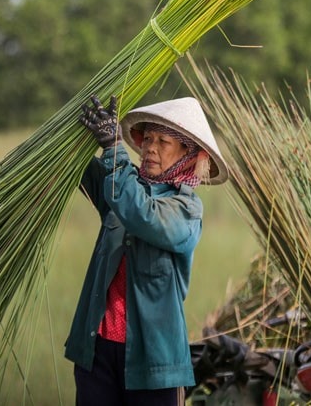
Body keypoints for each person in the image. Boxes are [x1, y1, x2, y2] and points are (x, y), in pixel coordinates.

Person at [64, 94, 228, 406]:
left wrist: (114, 148)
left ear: (187, 153)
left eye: (163, 141)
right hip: (96, 351)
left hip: (153, 362)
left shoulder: (186, 209)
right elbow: (79, 169)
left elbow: (144, 215)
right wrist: (81, 134)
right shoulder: (121, 184)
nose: (149, 147)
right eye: (147, 138)